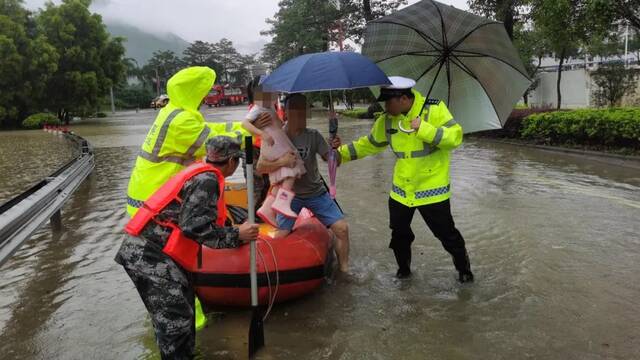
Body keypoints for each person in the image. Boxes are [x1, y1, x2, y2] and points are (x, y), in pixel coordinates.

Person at [125, 66, 269, 329]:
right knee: (173, 269)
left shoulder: (177, 113)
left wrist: (245, 124)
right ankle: (192, 325)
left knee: (176, 272)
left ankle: (191, 320)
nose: (205, 98)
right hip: (155, 206)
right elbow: (215, 140)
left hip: (153, 199)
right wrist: (251, 131)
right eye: (203, 93)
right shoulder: (182, 122)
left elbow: (215, 127)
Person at [115, 137, 259, 360]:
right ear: (232, 161)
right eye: (236, 161)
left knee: (181, 320)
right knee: (176, 325)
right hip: (151, 257)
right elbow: (194, 227)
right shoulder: (208, 180)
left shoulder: (200, 172)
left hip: (156, 255)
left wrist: (231, 231)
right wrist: (237, 235)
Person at [334, 76, 474, 282]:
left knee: (447, 235)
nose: (385, 106)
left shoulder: (434, 109)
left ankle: (465, 272)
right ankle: (404, 271)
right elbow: (369, 144)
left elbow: (455, 137)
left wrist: (425, 129)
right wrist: (340, 154)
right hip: (401, 190)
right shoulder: (387, 120)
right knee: (399, 235)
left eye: (388, 101)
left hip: (431, 189)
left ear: (402, 99)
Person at [257, 94, 350, 273]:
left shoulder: (313, 135)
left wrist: (335, 149)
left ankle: (344, 271)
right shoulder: (275, 135)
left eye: (304, 110)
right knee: (281, 236)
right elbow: (261, 167)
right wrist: (282, 162)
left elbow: (334, 162)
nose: (302, 114)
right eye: (296, 110)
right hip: (290, 196)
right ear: (286, 113)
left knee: (342, 229)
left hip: (316, 192)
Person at [243, 76, 305, 225]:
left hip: (275, 146)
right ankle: (255, 221)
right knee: (259, 189)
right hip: (260, 150)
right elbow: (246, 126)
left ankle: (269, 211)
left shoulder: (272, 106)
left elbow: (280, 125)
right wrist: (261, 132)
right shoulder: (257, 108)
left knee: (276, 182)